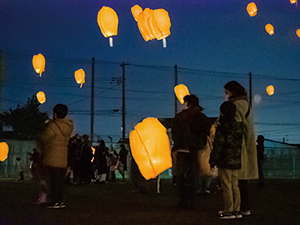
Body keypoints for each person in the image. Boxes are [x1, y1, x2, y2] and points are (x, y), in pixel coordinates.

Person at [224, 81, 258, 216]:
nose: (226, 96)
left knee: (235, 179)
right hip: (244, 143)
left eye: (227, 92)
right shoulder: (245, 104)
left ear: (233, 91)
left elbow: (236, 126)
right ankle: (244, 207)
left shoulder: (237, 105)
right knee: (241, 178)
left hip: (237, 145)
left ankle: (238, 208)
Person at [172, 94, 210, 208]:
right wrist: (200, 144)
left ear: (187, 103)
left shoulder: (179, 117)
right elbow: (205, 133)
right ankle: (192, 200)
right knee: (193, 175)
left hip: (181, 149)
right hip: (195, 150)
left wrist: (178, 143)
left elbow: (175, 133)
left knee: (181, 175)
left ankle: (183, 200)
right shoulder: (201, 117)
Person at [209, 101, 244, 219]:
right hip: (236, 159)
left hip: (225, 159)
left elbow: (219, 145)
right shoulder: (239, 126)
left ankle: (228, 210)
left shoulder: (222, 127)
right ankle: (236, 210)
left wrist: (213, 159)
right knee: (235, 185)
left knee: (226, 186)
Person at [38, 104, 74, 209]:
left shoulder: (53, 125)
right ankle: (60, 200)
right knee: (60, 181)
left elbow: (44, 138)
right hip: (63, 157)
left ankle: (54, 201)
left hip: (52, 156)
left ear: (55, 113)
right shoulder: (69, 126)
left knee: (54, 181)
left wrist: (48, 123)